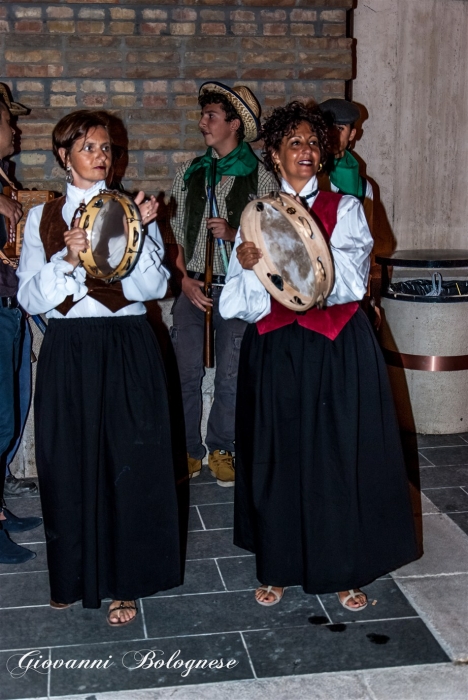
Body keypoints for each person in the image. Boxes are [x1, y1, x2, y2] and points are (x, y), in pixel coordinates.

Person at [220, 102, 419, 610]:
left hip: (333, 346)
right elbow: (237, 304)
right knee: (278, 456)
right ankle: (278, 565)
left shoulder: (346, 207)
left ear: (323, 153)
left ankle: (344, 568)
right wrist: (243, 264)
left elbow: (349, 284)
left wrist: (310, 251)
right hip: (277, 348)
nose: (305, 150)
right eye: (294, 143)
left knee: (336, 458)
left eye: (312, 142)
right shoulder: (255, 214)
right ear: (276, 157)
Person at [17, 109, 182, 625]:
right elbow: (29, 298)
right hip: (69, 348)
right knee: (67, 464)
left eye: (107, 148)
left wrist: (135, 239)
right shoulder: (39, 219)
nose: (101, 157)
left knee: (128, 463)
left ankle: (126, 583)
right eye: (89, 147)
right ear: (64, 157)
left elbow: (155, 289)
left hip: (128, 343)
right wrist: (66, 260)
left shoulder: (134, 211)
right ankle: (72, 575)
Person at [169, 81, 276, 486]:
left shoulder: (261, 179)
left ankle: (222, 447)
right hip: (193, 286)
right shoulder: (189, 173)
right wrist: (184, 282)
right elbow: (174, 235)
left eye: (211, 116)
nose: (202, 123)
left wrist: (234, 235)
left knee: (232, 373)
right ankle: (187, 449)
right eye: (204, 115)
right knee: (185, 372)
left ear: (234, 124)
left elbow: (271, 241)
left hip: (237, 291)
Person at [0, 85, 42, 565]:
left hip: (11, 307)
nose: (15, 128)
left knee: (9, 415)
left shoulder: (6, 177)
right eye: (8, 120)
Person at [318, 98, 374, 230]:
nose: (333, 134)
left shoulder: (364, 188)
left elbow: (367, 237)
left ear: (351, 134)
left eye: (340, 128)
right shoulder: (308, 175)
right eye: (328, 127)